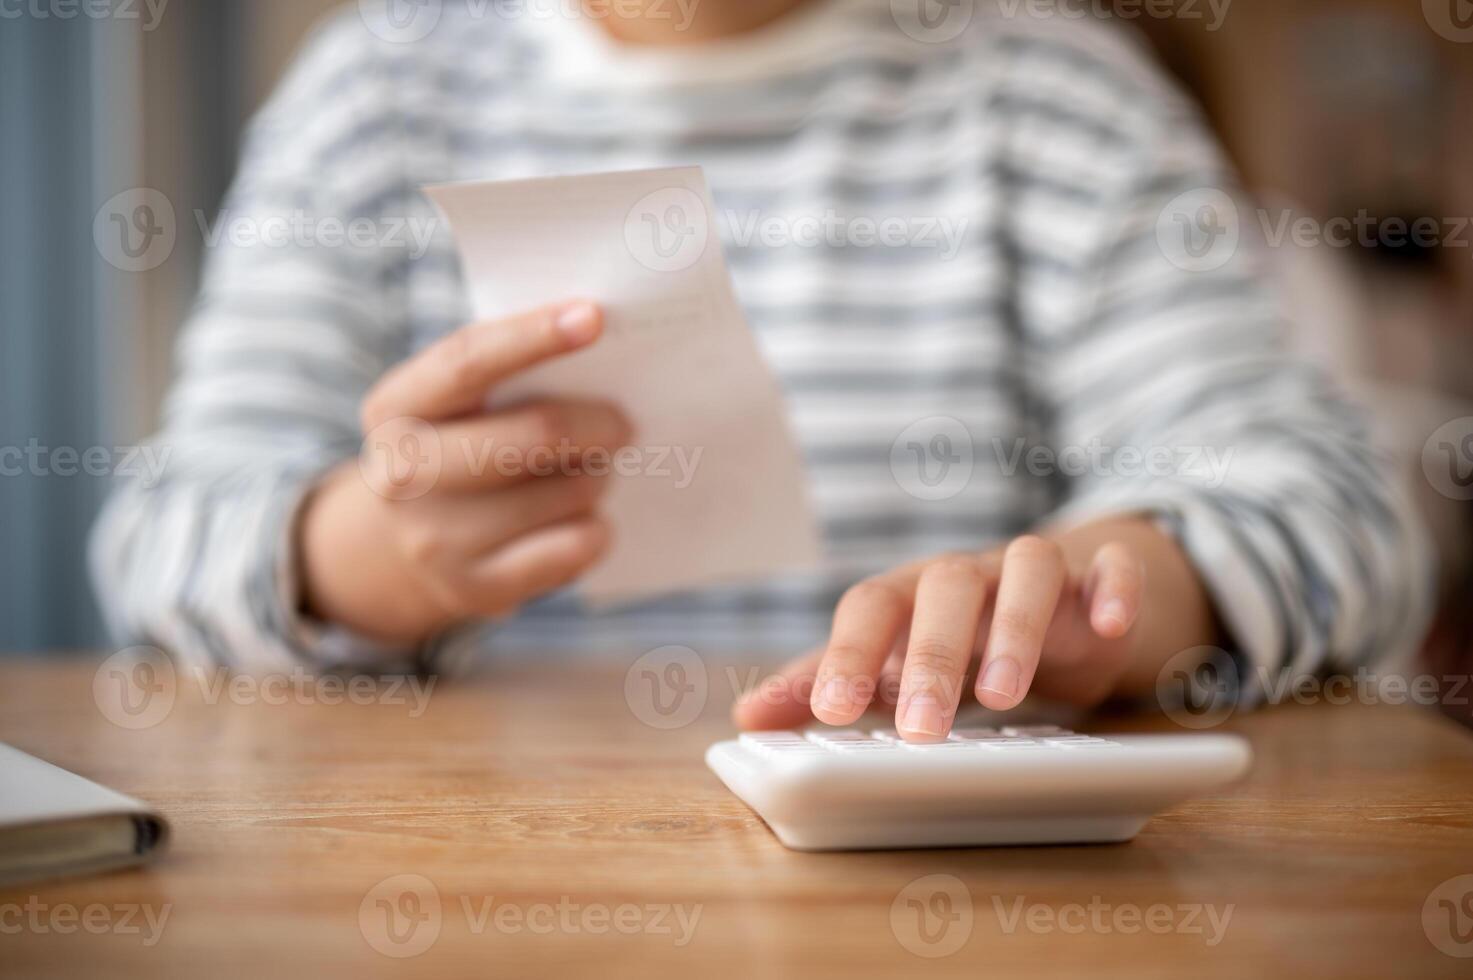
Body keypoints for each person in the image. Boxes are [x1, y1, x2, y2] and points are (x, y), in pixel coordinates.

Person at [89, 0, 1433, 741]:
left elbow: (1339, 520)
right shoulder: (373, 94)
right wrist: (353, 557)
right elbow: (160, 533)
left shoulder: (1052, 93)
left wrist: (1104, 607)